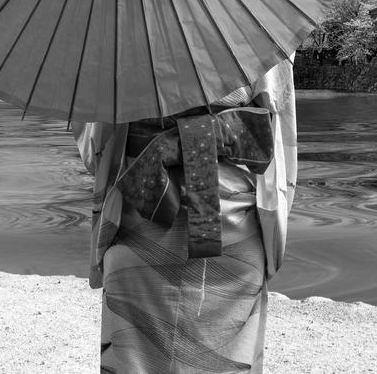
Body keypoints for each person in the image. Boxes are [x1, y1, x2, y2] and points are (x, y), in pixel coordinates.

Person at [74, 57, 297, 374]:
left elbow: (96, 144)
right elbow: (280, 124)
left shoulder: (115, 26)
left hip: (144, 205)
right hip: (234, 219)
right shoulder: (260, 18)